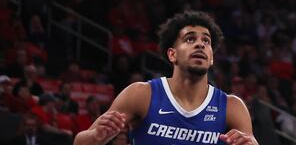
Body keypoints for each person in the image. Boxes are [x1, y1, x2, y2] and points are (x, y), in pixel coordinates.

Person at [74, 10, 258, 145]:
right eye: (190, 39)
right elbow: (80, 143)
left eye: (206, 41)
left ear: (211, 58)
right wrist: (97, 136)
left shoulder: (232, 107)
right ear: (172, 54)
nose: (200, 45)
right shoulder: (141, 94)